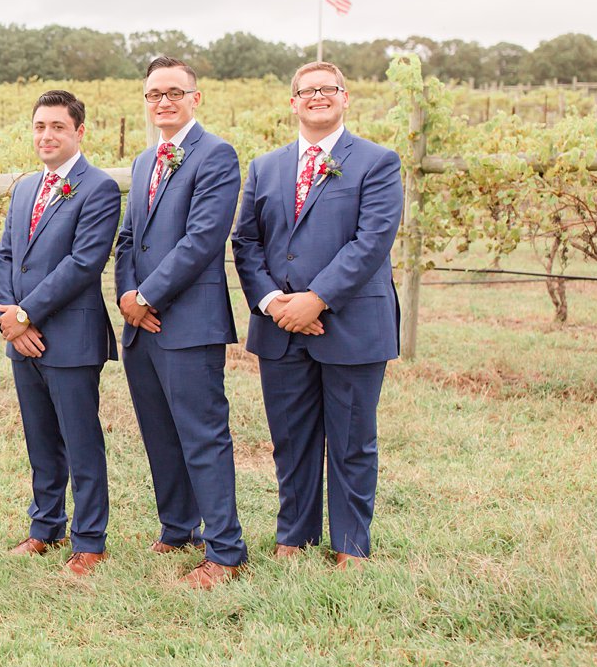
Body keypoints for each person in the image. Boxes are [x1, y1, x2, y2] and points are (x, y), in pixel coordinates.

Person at [231, 61, 402, 569]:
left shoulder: (377, 161)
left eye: (328, 89)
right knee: (291, 438)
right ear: (293, 102)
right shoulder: (265, 166)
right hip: (280, 325)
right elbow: (246, 241)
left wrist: (317, 298)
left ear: (345, 97)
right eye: (307, 91)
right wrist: (271, 302)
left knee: (351, 440)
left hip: (350, 323)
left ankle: (350, 544)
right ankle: (295, 535)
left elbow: (371, 241)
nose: (317, 96)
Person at [115, 56, 248, 589]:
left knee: (202, 433)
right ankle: (177, 528)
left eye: (174, 92)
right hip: (139, 321)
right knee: (159, 431)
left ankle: (226, 549)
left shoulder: (216, 155)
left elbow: (202, 239)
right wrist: (127, 294)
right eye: (153, 94)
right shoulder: (147, 160)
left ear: (196, 98)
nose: (163, 101)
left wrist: (148, 295)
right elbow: (129, 238)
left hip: (188, 320)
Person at [0, 90, 121, 577]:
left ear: (79, 132)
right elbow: (6, 254)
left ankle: (90, 541)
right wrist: (9, 316)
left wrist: (26, 316)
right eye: (40, 126)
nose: (46, 136)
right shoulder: (26, 187)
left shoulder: (99, 188)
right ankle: (45, 527)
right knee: (40, 439)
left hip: (70, 337)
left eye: (57, 127)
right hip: (21, 335)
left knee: (80, 439)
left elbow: (84, 263)